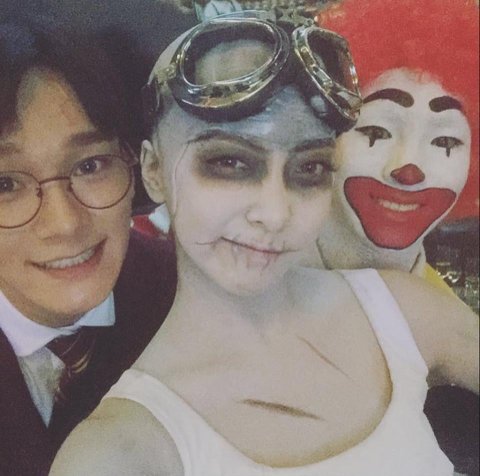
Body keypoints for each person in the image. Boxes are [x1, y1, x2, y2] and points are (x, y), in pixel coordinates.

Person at [51, 11, 478, 476]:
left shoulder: (402, 312)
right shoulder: (117, 453)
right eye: (230, 163)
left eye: (309, 169)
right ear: (153, 170)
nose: (275, 213)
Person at [0, 19, 176, 476]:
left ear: (137, 165)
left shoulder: (191, 299)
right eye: (6, 185)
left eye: (90, 166)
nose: (64, 223)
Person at [311, 0, 478, 276]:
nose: (408, 170)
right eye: (377, 132)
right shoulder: (252, 286)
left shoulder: (440, 303)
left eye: (445, 142)